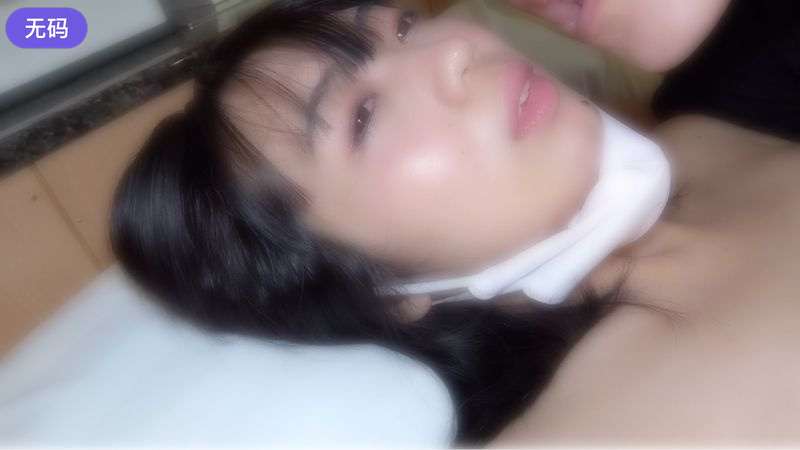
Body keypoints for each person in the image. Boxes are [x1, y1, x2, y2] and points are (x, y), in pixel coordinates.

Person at [109, 0, 800, 446]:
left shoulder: (718, 110)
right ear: (382, 291)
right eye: (362, 117)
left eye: (404, 27)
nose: (453, 50)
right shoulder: (604, 428)